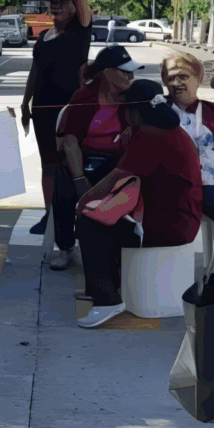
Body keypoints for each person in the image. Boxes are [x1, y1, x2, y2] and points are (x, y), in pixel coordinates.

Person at [71, 79, 204, 328]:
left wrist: (83, 200)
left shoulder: (152, 136)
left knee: (90, 222)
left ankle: (106, 299)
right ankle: (99, 286)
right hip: (176, 218)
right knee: (103, 219)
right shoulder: (168, 131)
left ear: (133, 112)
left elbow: (115, 179)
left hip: (169, 226)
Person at [21, 0, 92, 250]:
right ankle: (49, 215)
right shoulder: (45, 36)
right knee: (48, 165)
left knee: (72, 164)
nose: (56, 7)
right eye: (52, 3)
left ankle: (78, 216)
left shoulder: (81, 29)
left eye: (62, 2)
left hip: (71, 110)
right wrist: (25, 104)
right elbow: (35, 71)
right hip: (43, 109)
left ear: (74, 7)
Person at [48, 44, 144, 270]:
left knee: (130, 191)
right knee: (66, 189)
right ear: (107, 73)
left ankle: (117, 248)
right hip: (83, 158)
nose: (130, 76)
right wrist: (79, 178)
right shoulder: (85, 96)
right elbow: (70, 141)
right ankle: (65, 247)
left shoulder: (133, 97)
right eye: (124, 71)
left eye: (131, 72)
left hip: (118, 162)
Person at [160, 52, 214, 224]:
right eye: (171, 78)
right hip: (177, 187)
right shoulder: (157, 112)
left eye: (183, 76)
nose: (176, 83)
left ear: (199, 78)